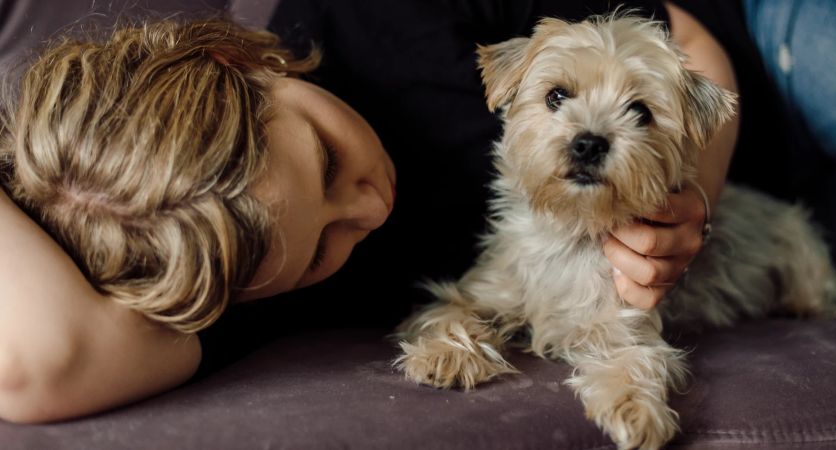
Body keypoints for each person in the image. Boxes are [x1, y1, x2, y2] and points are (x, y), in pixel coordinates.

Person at [0, 0, 751, 423]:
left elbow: (684, 37)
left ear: (245, 60)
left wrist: (689, 202)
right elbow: (44, 363)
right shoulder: (242, 270)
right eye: (324, 249)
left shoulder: (373, 13)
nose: (368, 207)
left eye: (327, 156)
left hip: (771, 37)